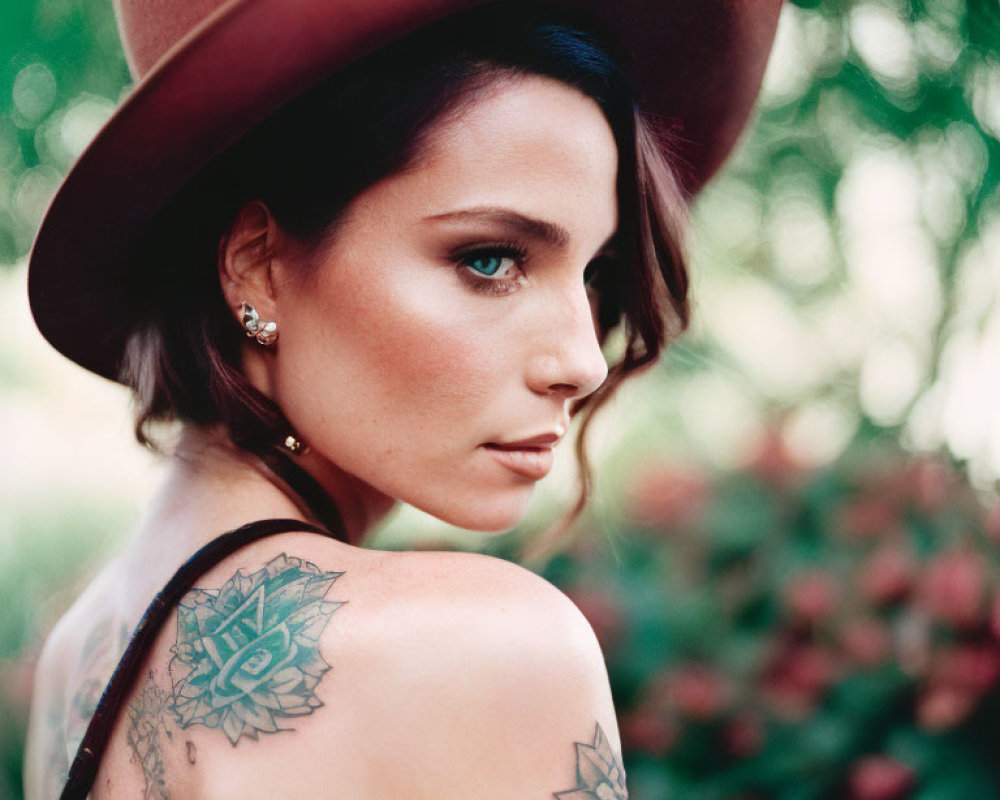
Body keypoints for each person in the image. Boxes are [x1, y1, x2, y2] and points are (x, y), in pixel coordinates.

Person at [23, 0, 782, 797]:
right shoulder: (490, 647)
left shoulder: (76, 657)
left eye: (594, 273)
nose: (585, 361)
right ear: (258, 266)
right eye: (491, 260)